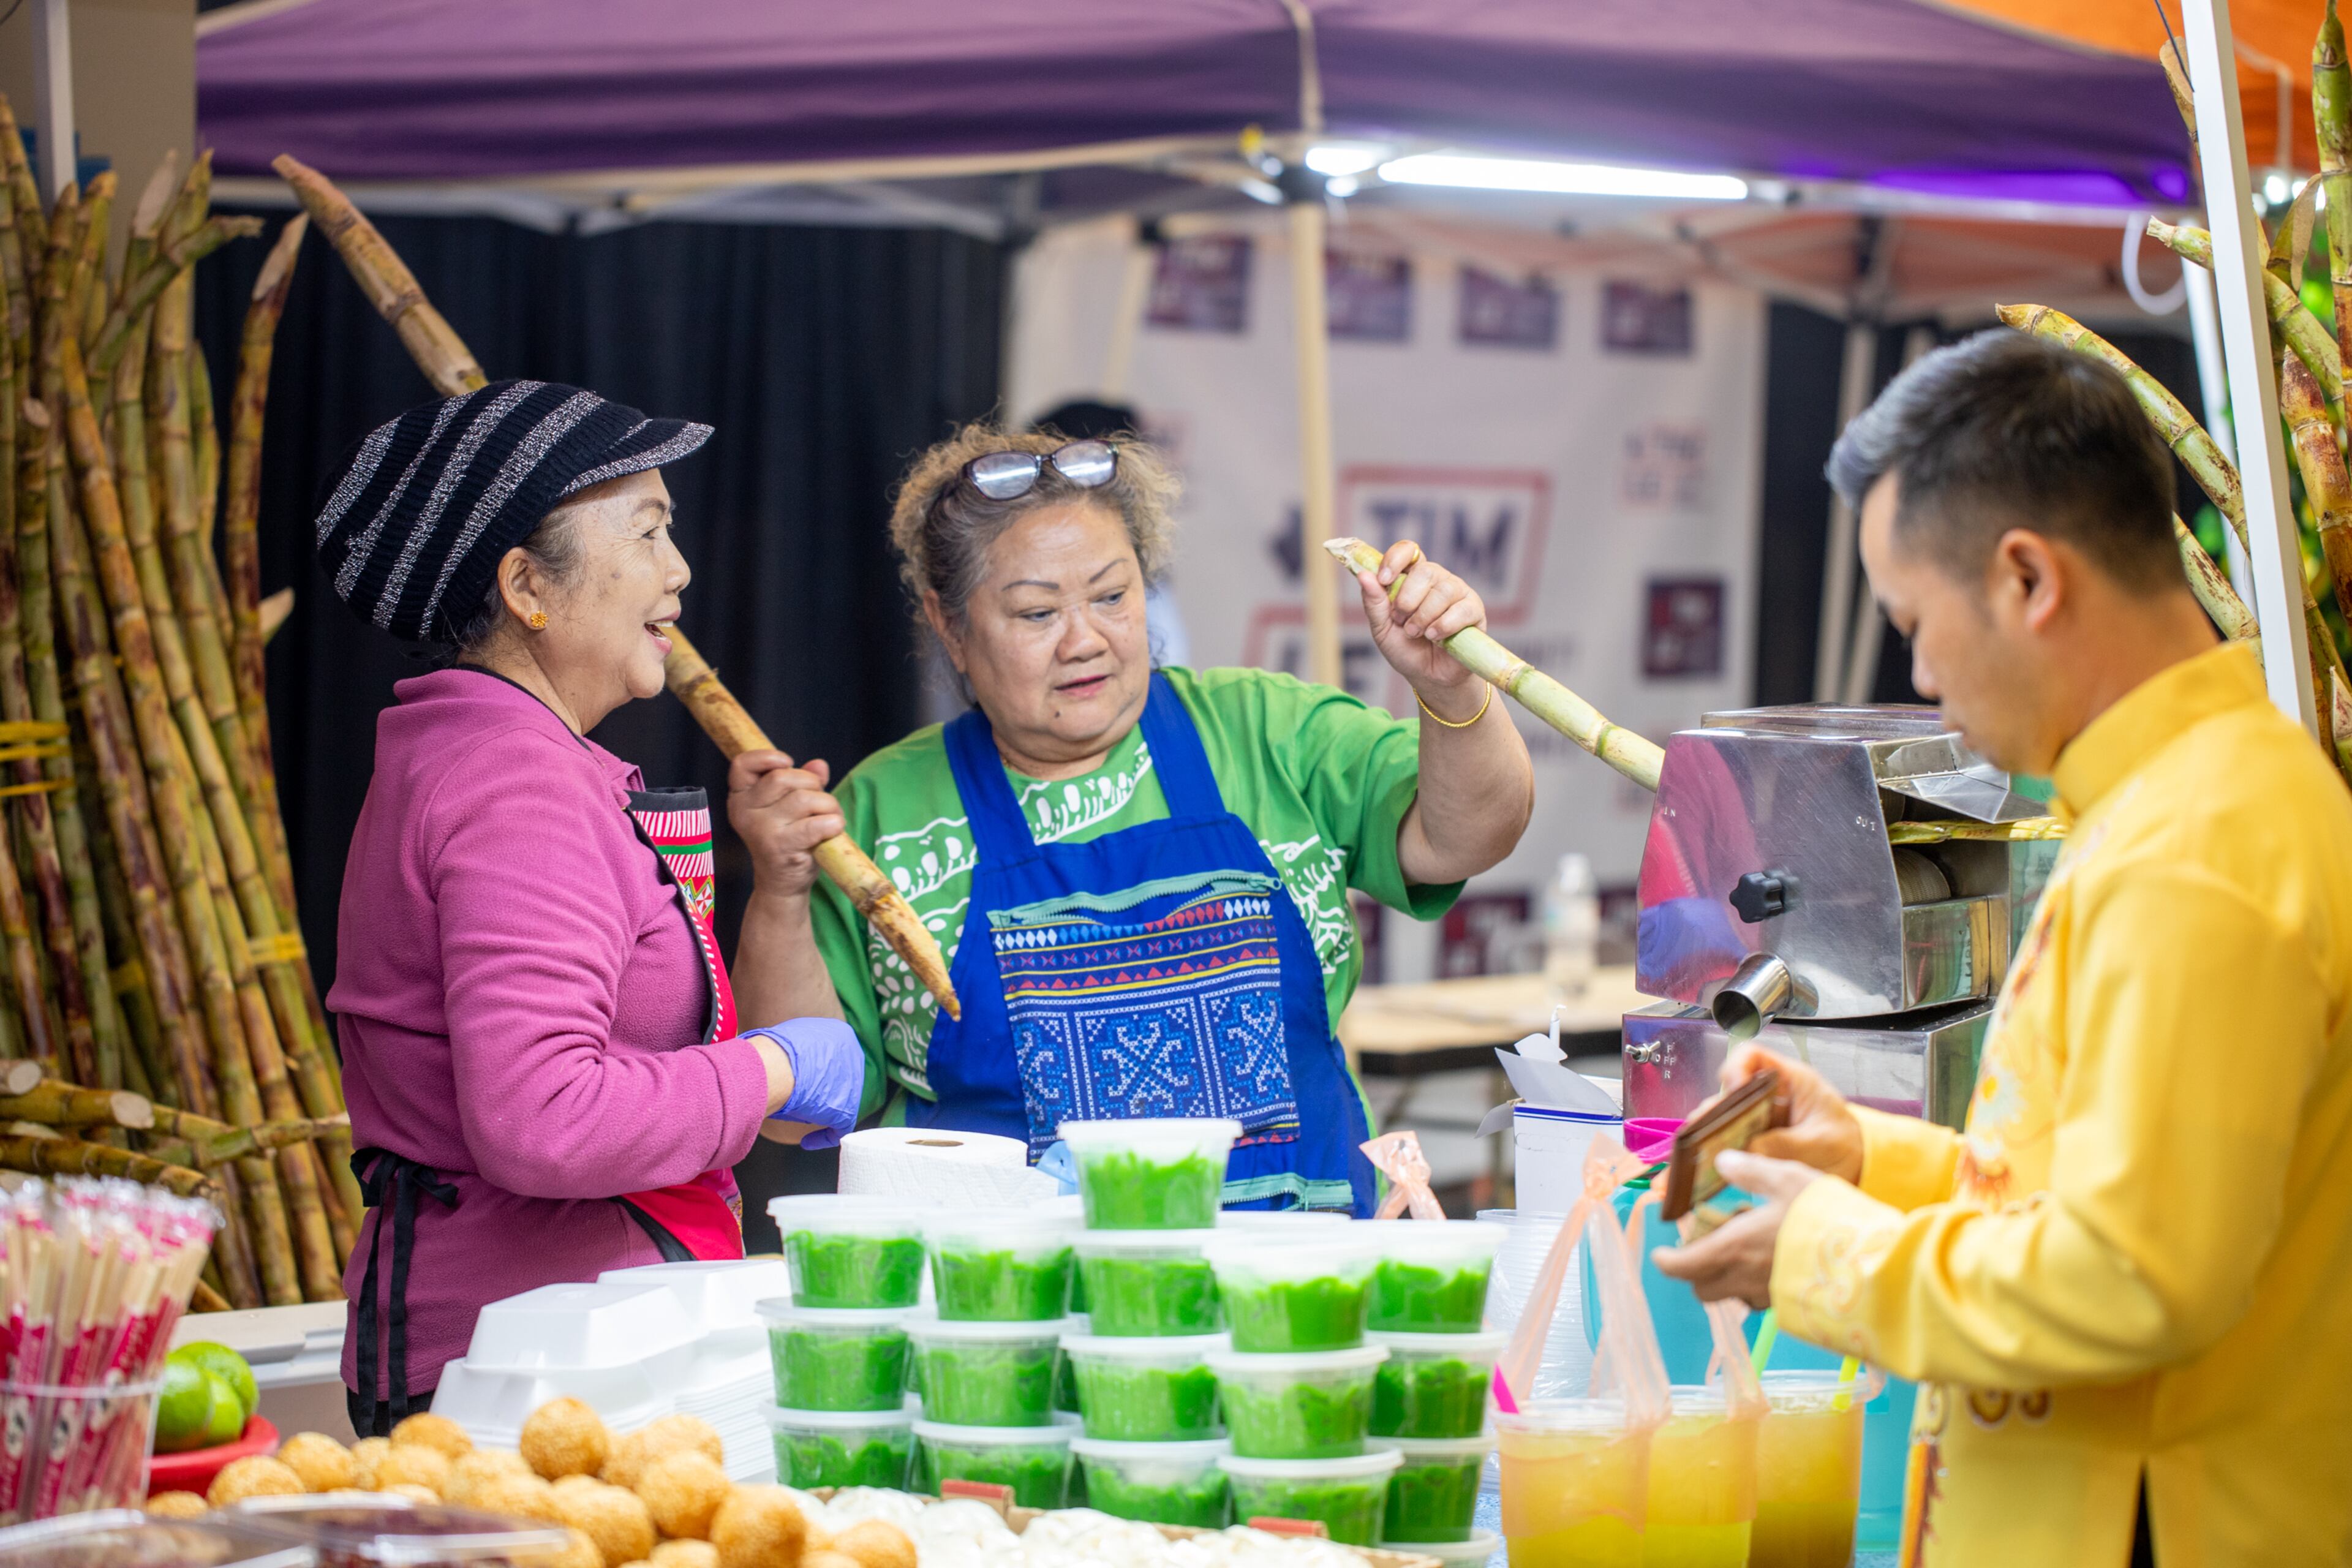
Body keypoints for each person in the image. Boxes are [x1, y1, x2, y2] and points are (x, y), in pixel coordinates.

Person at [1652, 333, 2352, 1565]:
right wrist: (1870, 1154)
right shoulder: (2175, 801)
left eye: (1915, 623)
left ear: (2029, 578)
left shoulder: (2196, 848)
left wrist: (1824, 1252)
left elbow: (2135, 1273)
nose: (1919, 674)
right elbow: (2094, 1186)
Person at [744, 426, 1536, 1212]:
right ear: (949, 626)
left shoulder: (1266, 733)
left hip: (1298, 1291)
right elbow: (792, 1109)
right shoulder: (882, 813)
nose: (1085, 640)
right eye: (1035, 614)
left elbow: (1466, 835)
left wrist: (1453, 689)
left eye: (1113, 596)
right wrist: (780, 893)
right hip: (1014, 1304)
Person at [317, 382, 867, 1434]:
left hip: (573, 1348)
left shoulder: (503, 758)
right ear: (526, 585)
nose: (681, 571)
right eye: (650, 531)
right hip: (529, 1378)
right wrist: (778, 1065)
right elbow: (545, 1120)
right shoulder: (511, 785)